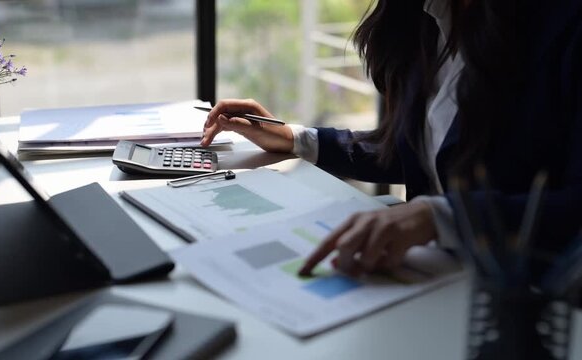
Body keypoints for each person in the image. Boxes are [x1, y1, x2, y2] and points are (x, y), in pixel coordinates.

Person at [200, 0, 582, 277]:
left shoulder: (565, 25)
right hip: (433, 283)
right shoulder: (421, 18)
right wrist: (297, 139)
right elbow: (424, 152)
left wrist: (441, 216)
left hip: (529, 303)